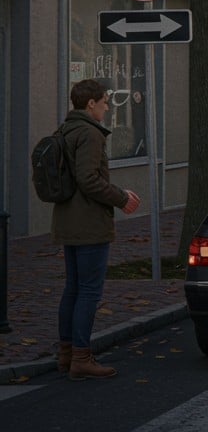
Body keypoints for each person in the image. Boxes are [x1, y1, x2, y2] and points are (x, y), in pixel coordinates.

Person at [53, 79, 141, 379]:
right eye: (104, 101)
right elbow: (88, 179)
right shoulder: (90, 133)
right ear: (90, 103)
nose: (107, 106)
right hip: (89, 222)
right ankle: (81, 357)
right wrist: (121, 198)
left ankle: (66, 354)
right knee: (88, 290)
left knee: (73, 288)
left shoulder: (65, 129)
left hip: (68, 219)